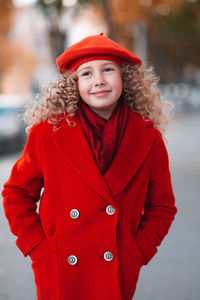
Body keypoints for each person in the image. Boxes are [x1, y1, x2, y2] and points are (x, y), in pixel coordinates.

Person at [1, 32, 177, 300]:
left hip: (115, 268)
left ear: (125, 78)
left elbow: (162, 206)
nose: (99, 81)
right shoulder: (47, 132)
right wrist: (38, 248)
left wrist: (137, 251)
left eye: (108, 69)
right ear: (73, 84)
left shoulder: (149, 139)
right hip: (61, 268)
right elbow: (16, 193)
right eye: (86, 73)